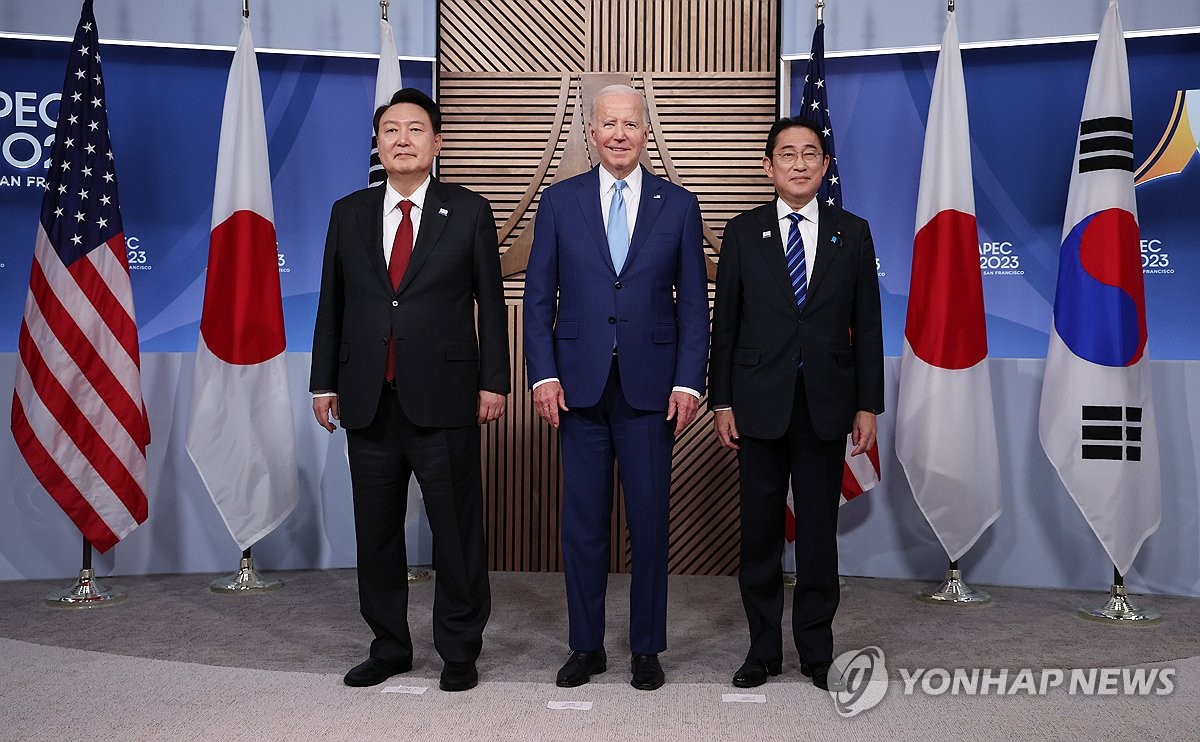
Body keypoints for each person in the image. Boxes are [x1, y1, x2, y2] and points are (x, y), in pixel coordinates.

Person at [310, 88, 509, 693]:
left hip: (446, 396)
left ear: (437, 143)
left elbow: (492, 307)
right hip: (367, 398)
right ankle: (390, 645)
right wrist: (323, 382)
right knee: (375, 532)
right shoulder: (349, 212)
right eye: (391, 129)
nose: (402, 139)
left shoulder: (469, 211)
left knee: (455, 531)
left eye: (415, 129)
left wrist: (493, 382)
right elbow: (332, 304)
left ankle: (459, 649)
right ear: (377, 143)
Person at [523, 84, 709, 691]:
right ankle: (586, 646)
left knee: (650, 522)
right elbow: (538, 299)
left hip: (651, 391)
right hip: (576, 387)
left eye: (632, 123)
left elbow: (693, 309)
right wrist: (543, 374)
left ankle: (646, 648)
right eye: (610, 124)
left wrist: (689, 379)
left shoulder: (678, 206)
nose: (621, 134)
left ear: (646, 132)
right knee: (582, 525)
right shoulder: (558, 202)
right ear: (591, 134)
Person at [709, 116, 883, 691]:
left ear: (825, 166)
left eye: (811, 154)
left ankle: (816, 651)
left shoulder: (851, 232)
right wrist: (722, 400)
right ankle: (761, 650)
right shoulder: (743, 232)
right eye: (787, 154)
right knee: (759, 533)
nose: (800, 164)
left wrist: (868, 405)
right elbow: (726, 327)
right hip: (758, 404)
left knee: (816, 534)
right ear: (768, 166)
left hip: (827, 404)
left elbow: (869, 327)